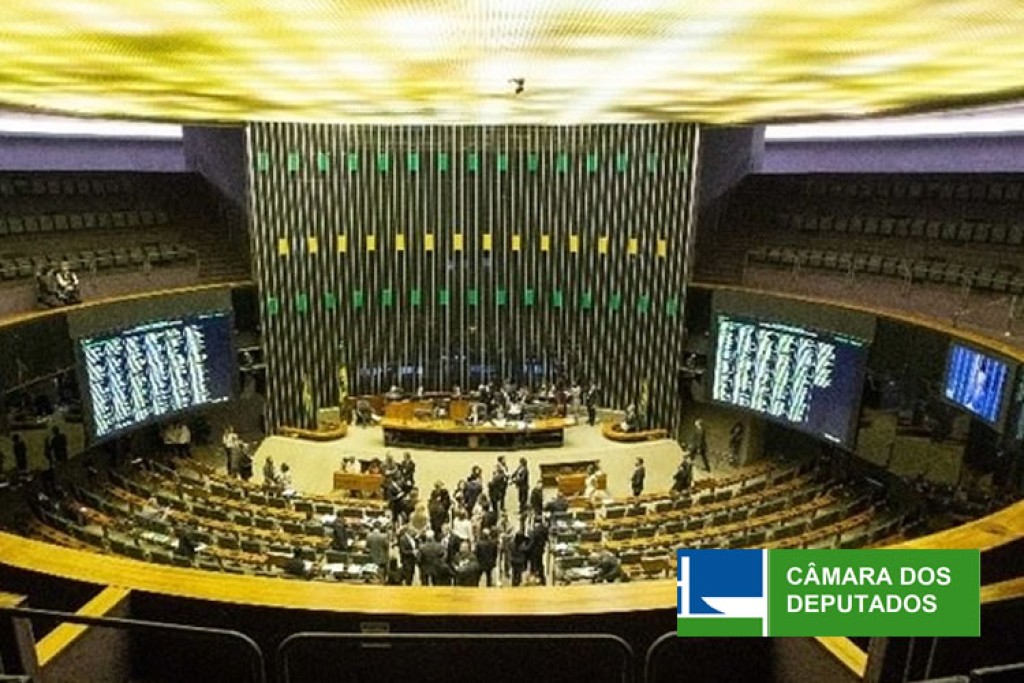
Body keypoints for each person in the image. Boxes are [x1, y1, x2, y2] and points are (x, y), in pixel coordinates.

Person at [527, 517, 549, 585]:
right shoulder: (544, 529)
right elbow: (546, 539)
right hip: (541, 549)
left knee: (534, 565)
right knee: (540, 564)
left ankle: (535, 580)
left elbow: (532, 543)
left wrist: (526, 548)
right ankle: (542, 579)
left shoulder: (534, 531)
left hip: (534, 551)